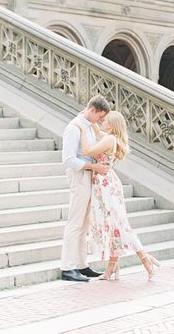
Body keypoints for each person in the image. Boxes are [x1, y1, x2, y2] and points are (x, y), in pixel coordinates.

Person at [74, 110, 160, 281]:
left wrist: (82, 128)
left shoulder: (110, 139)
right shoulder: (110, 137)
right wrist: (87, 119)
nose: (102, 121)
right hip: (105, 183)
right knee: (113, 226)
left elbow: (87, 150)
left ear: (111, 124)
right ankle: (112, 268)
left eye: (104, 120)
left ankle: (145, 259)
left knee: (119, 224)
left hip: (106, 185)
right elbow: (98, 132)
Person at [60, 94, 111, 282]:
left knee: (83, 224)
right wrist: (94, 167)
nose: (101, 120)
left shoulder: (89, 127)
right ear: (92, 110)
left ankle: (81, 265)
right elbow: (68, 159)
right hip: (80, 175)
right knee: (75, 222)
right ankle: (67, 268)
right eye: (100, 116)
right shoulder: (74, 128)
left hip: (88, 176)